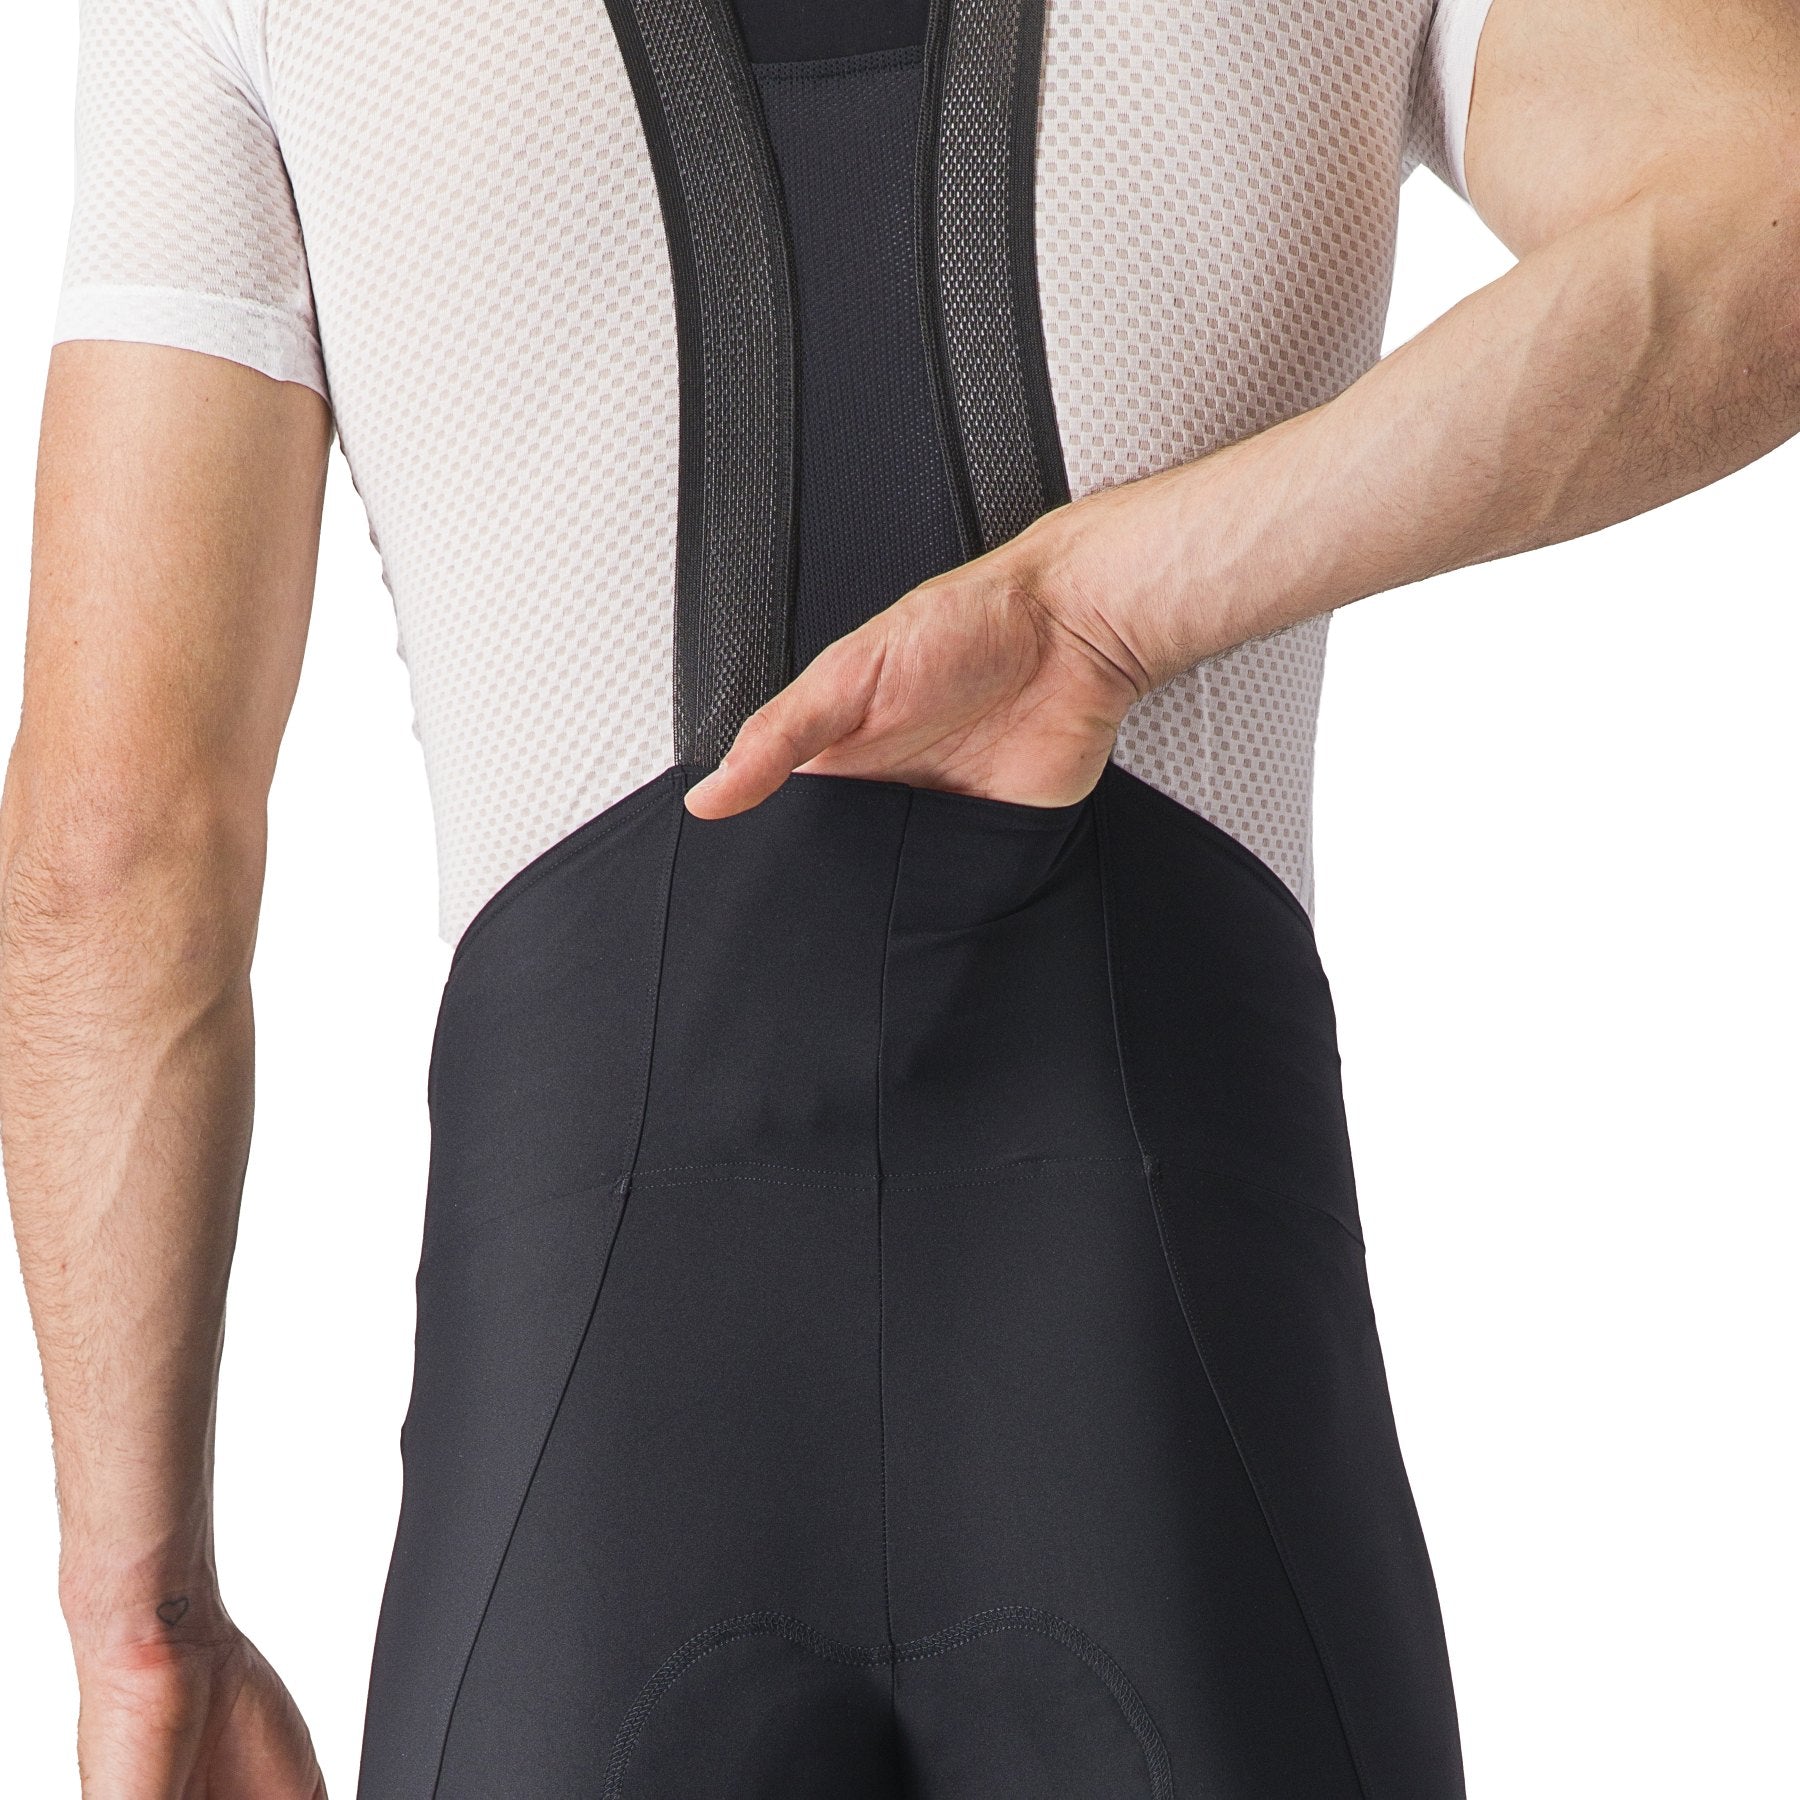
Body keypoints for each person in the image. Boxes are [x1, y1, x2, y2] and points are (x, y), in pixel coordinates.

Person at [3, 0, 1795, 1792]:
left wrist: (143, 1621)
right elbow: (1769, 215)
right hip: (1184, 1394)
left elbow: (116, 836)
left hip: (583, 1470)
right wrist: (1108, 604)